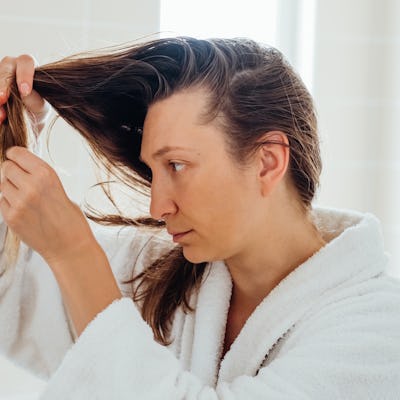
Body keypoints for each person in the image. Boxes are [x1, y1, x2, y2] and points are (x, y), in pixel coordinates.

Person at [0, 37, 399, 399]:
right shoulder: (162, 273)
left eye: (176, 165)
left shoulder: (378, 330)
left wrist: (74, 253)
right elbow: (15, 289)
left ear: (268, 162)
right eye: (154, 171)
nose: (158, 207)